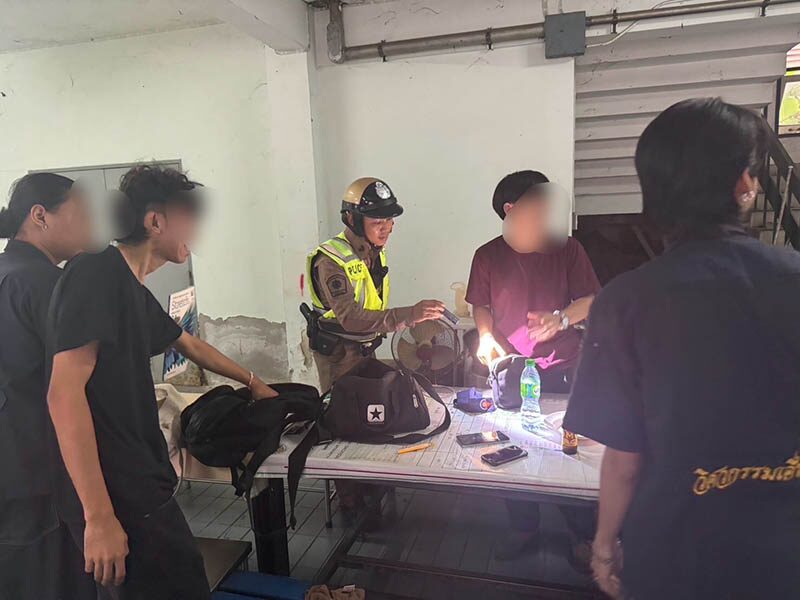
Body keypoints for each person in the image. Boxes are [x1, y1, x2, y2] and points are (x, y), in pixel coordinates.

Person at [564, 98, 800, 599]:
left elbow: (623, 461)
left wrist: (604, 546)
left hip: (674, 556)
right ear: (744, 183)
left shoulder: (626, 301)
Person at [46, 165, 278, 600]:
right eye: (188, 217)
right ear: (155, 221)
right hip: (118, 494)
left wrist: (254, 381)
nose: (196, 231)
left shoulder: (131, 289)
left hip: (142, 484)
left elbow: (188, 343)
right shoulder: (93, 275)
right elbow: (63, 395)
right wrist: (99, 517)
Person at [465, 170, 600, 564]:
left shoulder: (567, 250)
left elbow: (591, 299)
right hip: (511, 371)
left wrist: (561, 318)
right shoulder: (487, 255)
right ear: (511, 210)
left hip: (563, 368)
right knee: (511, 449)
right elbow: (480, 305)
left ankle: (583, 534)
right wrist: (485, 336)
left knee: (568, 451)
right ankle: (524, 526)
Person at [306, 177, 445, 518]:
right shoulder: (331, 260)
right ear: (353, 220)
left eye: (390, 220)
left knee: (373, 416)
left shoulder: (371, 252)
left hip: (366, 348)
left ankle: (372, 485)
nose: (387, 228)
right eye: (378, 221)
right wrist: (408, 315)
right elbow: (351, 317)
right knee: (345, 424)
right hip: (339, 355)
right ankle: (350, 502)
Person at [0, 173, 96, 600]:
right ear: (40, 216)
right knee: (56, 581)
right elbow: (72, 393)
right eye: (81, 213)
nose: (89, 225)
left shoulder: (8, 273)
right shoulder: (46, 286)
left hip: (12, 470)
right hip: (41, 473)